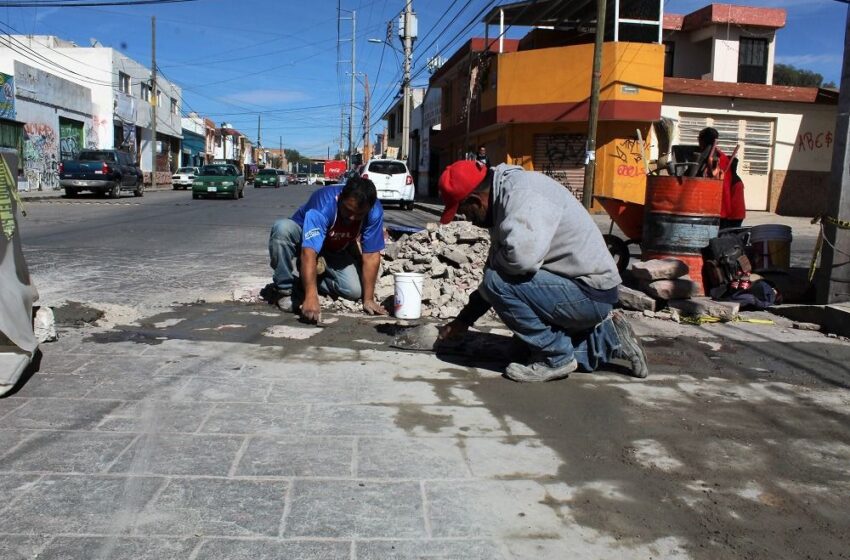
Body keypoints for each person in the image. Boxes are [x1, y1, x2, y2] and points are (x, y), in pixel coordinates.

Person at [435, 160, 648, 382]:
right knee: (521, 352)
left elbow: (517, 263)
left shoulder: (523, 196)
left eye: (463, 211)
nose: (467, 219)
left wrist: (493, 270)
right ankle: (611, 341)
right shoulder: (503, 201)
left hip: (590, 294)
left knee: (496, 282)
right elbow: (500, 268)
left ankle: (556, 358)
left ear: (476, 201)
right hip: (576, 287)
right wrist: (463, 321)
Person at [262, 175, 388, 323]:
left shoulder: (374, 211)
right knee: (282, 229)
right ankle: (284, 289)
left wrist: (368, 299)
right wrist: (311, 297)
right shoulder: (324, 203)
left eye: (359, 215)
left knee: (354, 291)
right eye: (348, 211)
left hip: (335, 248)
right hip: (304, 241)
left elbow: (372, 255)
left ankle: (309, 277)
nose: (352, 218)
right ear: (340, 198)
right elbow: (308, 252)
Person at [698, 127, 745, 230]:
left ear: (702, 141)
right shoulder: (712, 156)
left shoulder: (718, 159)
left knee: (724, 240)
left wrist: (722, 213)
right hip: (725, 210)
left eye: (699, 140)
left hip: (731, 211)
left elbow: (724, 188)